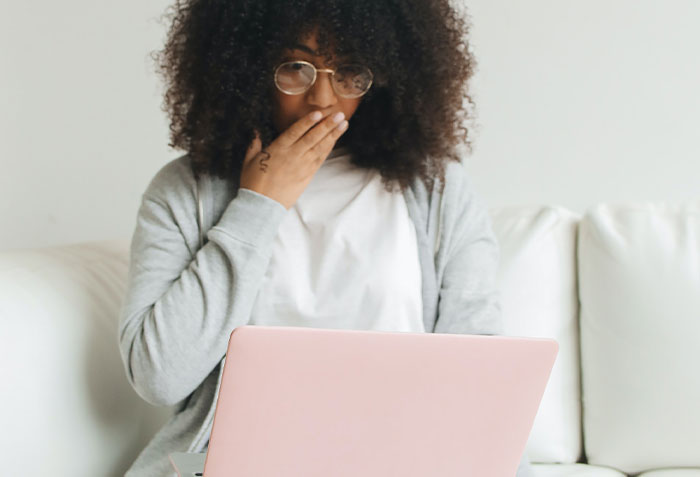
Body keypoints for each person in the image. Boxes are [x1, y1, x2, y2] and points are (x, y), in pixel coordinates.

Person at [118, 0, 534, 475]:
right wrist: (258, 205)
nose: (321, 98)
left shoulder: (437, 190)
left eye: (349, 71)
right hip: (246, 463)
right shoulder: (185, 191)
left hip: (403, 461)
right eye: (295, 68)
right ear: (248, 65)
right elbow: (159, 376)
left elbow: (479, 375)